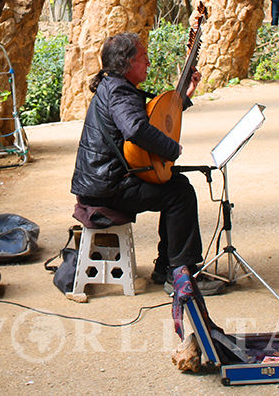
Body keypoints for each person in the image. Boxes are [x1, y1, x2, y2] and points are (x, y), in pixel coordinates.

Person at [70, 32, 205, 289]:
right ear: (126, 63)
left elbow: (151, 118)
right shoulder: (121, 91)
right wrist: (172, 149)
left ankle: (168, 268)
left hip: (101, 182)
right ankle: (180, 273)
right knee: (180, 193)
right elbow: (136, 129)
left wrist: (183, 97)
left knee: (173, 183)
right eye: (144, 58)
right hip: (107, 189)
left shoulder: (113, 85)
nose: (148, 63)